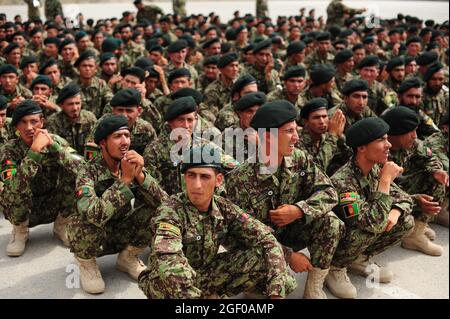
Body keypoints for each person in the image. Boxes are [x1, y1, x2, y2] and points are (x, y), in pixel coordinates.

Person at [138, 144, 296, 299]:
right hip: (167, 285)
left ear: (218, 180)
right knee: (167, 282)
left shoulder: (223, 206)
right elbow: (169, 264)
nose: (197, 185)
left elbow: (266, 240)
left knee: (276, 272)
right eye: (191, 175)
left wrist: (276, 292)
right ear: (184, 177)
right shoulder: (170, 211)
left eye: (205, 176)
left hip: (202, 273)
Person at [226, 100, 344, 299]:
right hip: (259, 245)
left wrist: (299, 210)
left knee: (331, 222)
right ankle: (255, 286)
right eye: (289, 131)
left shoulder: (299, 158)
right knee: (266, 282)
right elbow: (242, 235)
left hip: (289, 231)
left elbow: (329, 193)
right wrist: (288, 255)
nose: (296, 137)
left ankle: (314, 286)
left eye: (296, 130)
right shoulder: (240, 179)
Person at [67, 114, 168, 294]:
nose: (124, 142)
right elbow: (93, 214)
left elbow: (166, 204)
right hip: (95, 234)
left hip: (121, 229)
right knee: (80, 223)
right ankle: (86, 262)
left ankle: (128, 257)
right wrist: (125, 181)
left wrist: (141, 176)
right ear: (103, 143)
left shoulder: (131, 164)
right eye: (117, 136)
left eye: (127, 136)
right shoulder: (87, 171)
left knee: (156, 212)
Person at [328, 117, 414, 299]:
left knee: (406, 221)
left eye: (387, 138)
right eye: (381, 140)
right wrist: (385, 181)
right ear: (361, 148)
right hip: (339, 242)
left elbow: (405, 198)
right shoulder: (343, 182)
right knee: (367, 229)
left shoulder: (374, 169)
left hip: (361, 233)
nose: (389, 144)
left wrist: (395, 211)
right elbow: (372, 223)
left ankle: (359, 259)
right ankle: (335, 267)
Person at [0, 100, 83, 256]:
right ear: (17, 127)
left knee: (73, 174)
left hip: (54, 201)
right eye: (23, 122)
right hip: (26, 207)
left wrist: (56, 148)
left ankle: (62, 225)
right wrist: (34, 151)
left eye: (34, 121)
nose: (29, 127)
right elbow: (12, 188)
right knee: (11, 190)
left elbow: (83, 170)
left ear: (42, 122)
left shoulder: (55, 140)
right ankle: (20, 231)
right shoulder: (9, 150)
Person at [381, 107, 448, 256]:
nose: (415, 136)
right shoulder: (379, 149)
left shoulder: (412, 143)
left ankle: (416, 232)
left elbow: (430, 158)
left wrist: (436, 171)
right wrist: (415, 200)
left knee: (434, 179)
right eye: (410, 131)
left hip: (399, 187)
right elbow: (379, 190)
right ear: (394, 133)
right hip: (381, 195)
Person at [46, 83, 97, 156]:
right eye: (70, 104)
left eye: (77, 103)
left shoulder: (89, 118)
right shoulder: (53, 122)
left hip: (87, 161)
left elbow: (95, 145)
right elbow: (53, 151)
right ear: (61, 105)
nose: (75, 108)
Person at [297, 98, 347, 172]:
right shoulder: (297, 141)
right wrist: (332, 136)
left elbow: (346, 159)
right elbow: (316, 170)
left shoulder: (327, 136)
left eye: (324, 116)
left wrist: (340, 137)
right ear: (306, 122)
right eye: (316, 118)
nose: (322, 121)